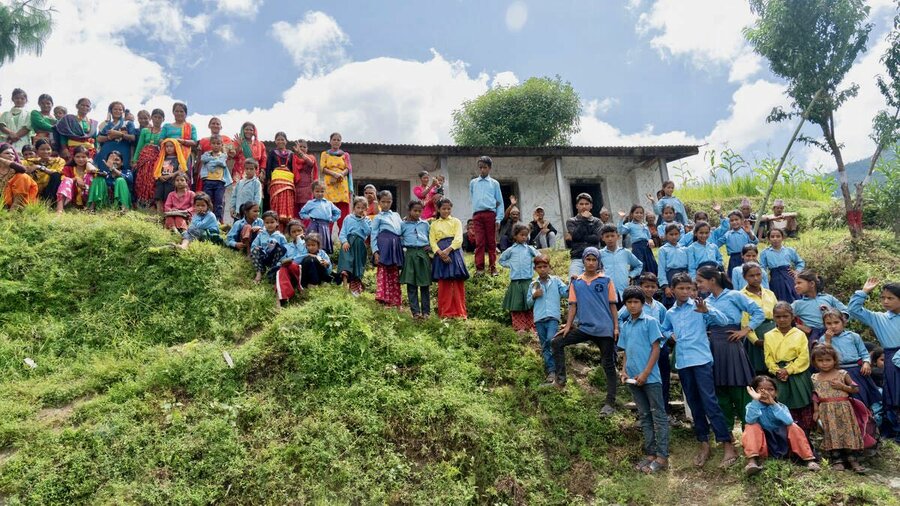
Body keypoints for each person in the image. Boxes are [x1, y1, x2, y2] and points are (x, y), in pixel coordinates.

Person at [661, 273, 736, 468]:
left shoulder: (699, 306)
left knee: (710, 402)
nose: (686, 292)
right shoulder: (671, 313)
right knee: (694, 404)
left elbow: (723, 320)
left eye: (689, 288)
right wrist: (671, 335)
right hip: (684, 364)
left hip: (702, 360)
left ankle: (727, 443)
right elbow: (664, 328)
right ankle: (704, 443)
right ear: (673, 289)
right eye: (681, 288)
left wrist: (707, 310)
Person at [551, 247, 619, 416]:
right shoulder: (577, 282)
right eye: (588, 260)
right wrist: (568, 325)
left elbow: (612, 305)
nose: (590, 263)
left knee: (608, 365)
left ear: (598, 262)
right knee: (556, 342)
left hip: (604, 330)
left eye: (593, 260)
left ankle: (610, 403)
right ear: (583, 261)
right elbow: (573, 305)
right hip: (585, 328)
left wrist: (616, 327)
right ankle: (560, 381)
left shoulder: (606, 280)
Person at [696, 266, 764, 432]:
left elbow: (758, 312)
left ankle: (749, 429)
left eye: (700, 281)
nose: (697, 285)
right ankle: (726, 432)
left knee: (739, 387)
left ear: (712, 280)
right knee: (719, 388)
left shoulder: (733, 295)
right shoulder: (707, 302)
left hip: (732, 344)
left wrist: (745, 330)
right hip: (713, 346)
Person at [618, 286, 669, 474]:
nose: (632, 305)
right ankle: (650, 454)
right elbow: (625, 351)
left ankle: (662, 457)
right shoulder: (625, 326)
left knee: (659, 415)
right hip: (633, 379)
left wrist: (646, 373)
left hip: (651, 378)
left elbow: (656, 349)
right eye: (629, 302)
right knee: (644, 416)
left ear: (642, 304)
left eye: (636, 302)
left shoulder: (650, 322)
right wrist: (623, 371)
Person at [849, 278, 900, 434]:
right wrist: (864, 292)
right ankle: (895, 429)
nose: (885, 301)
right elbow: (853, 310)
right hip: (893, 359)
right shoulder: (879, 318)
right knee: (893, 394)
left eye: (890, 298)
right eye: (883, 297)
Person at [742, 375, 819, 476]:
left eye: (771, 390)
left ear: (776, 392)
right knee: (750, 426)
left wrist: (774, 404)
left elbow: (788, 421)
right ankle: (752, 462)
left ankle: (808, 459)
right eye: (761, 390)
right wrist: (755, 401)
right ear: (754, 392)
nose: (766, 393)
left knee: (793, 426)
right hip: (765, 443)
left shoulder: (781, 407)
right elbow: (750, 420)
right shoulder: (752, 406)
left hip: (783, 441)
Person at [811, 345, 867, 473]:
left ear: (834, 360)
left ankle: (853, 460)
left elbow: (855, 388)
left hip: (843, 408)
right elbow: (815, 395)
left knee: (847, 432)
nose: (824, 363)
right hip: (826, 409)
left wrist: (842, 386)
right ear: (814, 362)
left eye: (828, 360)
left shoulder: (842, 374)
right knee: (831, 433)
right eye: (820, 360)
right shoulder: (814, 377)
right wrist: (816, 410)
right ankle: (837, 459)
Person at [763, 302, 814, 433]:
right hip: (779, 375)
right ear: (774, 317)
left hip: (797, 373)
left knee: (802, 403)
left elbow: (804, 357)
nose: (782, 320)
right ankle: (787, 438)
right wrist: (776, 370)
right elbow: (768, 357)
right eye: (778, 317)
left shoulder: (799, 334)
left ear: (792, 317)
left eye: (785, 316)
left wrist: (789, 370)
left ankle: (804, 435)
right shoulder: (769, 335)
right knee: (782, 404)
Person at [820, 309, 881, 409]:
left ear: (843, 322)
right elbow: (824, 355)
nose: (833, 326)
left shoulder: (853, 336)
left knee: (861, 399)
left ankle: (866, 421)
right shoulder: (823, 339)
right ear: (824, 325)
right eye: (829, 323)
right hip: (836, 372)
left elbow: (864, 353)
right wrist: (827, 340)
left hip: (856, 371)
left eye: (836, 322)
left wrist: (866, 363)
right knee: (844, 401)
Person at [528, 255, 568, 385]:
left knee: (551, 340)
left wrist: (572, 283)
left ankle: (557, 369)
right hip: (539, 318)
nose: (543, 269)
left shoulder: (556, 281)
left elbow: (566, 293)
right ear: (535, 269)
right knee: (545, 344)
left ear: (549, 267)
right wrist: (534, 296)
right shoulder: (534, 284)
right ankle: (551, 370)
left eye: (545, 266)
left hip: (552, 317)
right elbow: (528, 303)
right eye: (539, 267)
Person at [429, 197, 469, 319]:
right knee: (444, 283)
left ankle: (460, 312)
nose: (446, 211)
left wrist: (448, 250)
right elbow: (432, 241)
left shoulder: (456, 221)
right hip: (440, 255)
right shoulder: (434, 224)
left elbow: (458, 239)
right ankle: (445, 312)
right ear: (438, 209)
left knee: (457, 282)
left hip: (454, 253)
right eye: (443, 209)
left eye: (448, 209)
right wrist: (439, 252)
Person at [499, 223, 540, 333]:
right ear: (515, 236)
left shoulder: (530, 249)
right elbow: (501, 260)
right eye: (522, 235)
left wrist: (534, 265)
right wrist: (511, 264)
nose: (524, 237)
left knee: (530, 305)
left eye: (526, 235)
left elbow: (539, 257)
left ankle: (532, 327)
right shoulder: (511, 250)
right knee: (517, 305)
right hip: (516, 282)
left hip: (528, 281)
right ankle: (520, 328)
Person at [469, 155, 504, 276]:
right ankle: (479, 269)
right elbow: (473, 197)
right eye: (480, 167)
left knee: (491, 243)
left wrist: (499, 218)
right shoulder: (473, 183)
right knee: (479, 242)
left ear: (489, 168)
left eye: (484, 167)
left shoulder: (494, 183)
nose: (482, 170)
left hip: (490, 214)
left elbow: (499, 202)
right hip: (477, 215)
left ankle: (493, 268)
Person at [95, 102, 137, 199]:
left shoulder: (128, 123)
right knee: (105, 172)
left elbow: (133, 138)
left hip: (123, 153)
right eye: (115, 109)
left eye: (120, 109)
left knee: (121, 173)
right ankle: (104, 198)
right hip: (106, 152)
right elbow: (98, 138)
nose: (118, 111)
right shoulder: (107, 125)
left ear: (123, 111)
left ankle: (123, 198)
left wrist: (119, 134)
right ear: (111, 111)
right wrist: (109, 137)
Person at [740, 262, 777, 376]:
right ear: (744, 277)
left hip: (773, 332)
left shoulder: (769, 293)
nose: (756, 278)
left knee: (776, 366)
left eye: (758, 274)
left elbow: (777, 314)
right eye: (751, 276)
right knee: (760, 369)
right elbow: (745, 321)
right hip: (755, 333)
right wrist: (755, 341)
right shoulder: (741, 296)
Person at [792, 269, 848, 342]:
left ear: (812, 284)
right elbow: (784, 315)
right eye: (795, 284)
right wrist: (799, 326)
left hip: (835, 334)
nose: (796, 286)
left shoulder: (828, 298)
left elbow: (846, 312)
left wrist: (832, 314)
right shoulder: (797, 304)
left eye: (799, 283)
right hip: (815, 337)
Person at [371, 190, 405, 307]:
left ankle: (396, 301)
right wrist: (375, 251)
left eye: (388, 202)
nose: (386, 204)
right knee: (383, 271)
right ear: (379, 202)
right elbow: (373, 235)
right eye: (383, 202)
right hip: (383, 246)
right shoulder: (377, 217)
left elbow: (402, 230)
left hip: (395, 246)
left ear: (392, 201)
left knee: (394, 272)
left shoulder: (396, 215)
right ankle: (384, 300)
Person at [400, 200, 432, 319]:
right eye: (415, 211)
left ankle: (426, 312)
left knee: (424, 284)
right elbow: (399, 237)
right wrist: (404, 246)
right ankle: (416, 313)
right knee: (411, 284)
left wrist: (429, 246)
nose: (417, 213)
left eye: (420, 211)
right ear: (409, 211)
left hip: (423, 254)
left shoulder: (425, 224)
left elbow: (430, 237)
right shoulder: (403, 224)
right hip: (410, 254)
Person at [598, 225, 643, 303]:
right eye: (607, 236)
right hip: (606, 292)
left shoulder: (625, 252)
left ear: (618, 236)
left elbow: (639, 265)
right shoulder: (599, 254)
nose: (610, 239)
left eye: (612, 236)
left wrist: (631, 275)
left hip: (623, 291)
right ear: (602, 238)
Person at [759, 228, 805, 303]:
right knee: (778, 300)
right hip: (775, 279)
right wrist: (764, 282)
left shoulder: (789, 250)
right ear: (768, 239)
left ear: (783, 238)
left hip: (789, 277)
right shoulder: (765, 253)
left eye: (778, 236)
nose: (775, 239)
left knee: (794, 297)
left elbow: (800, 262)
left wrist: (797, 271)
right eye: (772, 236)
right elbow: (762, 268)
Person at [337, 197, 371, 296]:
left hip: (360, 244)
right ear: (354, 208)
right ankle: (344, 288)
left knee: (357, 266)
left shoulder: (367, 220)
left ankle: (355, 290)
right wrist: (344, 242)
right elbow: (342, 232)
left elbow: (368, 232)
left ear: (366, 209)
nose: (360, 210)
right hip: (348, 243)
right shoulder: (348, 218)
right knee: (346, 265)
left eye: (363, 208)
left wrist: (363, 220)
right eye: (358, 207)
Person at [132, 108, 164, 207]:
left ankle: (151, 203)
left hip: (156, 159)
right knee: (141, 179)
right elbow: (139, 146)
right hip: (144, 158)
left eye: (159, 117)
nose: (157, 119)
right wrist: (135, 160)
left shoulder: (164, 131)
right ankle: (141, 202)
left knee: (152, 180)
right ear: (151, 118)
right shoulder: (145, 131)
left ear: (163, 119)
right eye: (155, 117)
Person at [565, 193, 602, 278]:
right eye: (581, 204)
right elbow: (576, 236)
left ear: (591, 206)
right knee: (573, 284)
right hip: (578, 258)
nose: (584, 206)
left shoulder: (597, 222)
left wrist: (579, 238)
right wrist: (584, 219)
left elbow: (596, 238)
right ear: (577, 206)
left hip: (594, 259)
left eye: (586, 204)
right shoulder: (571, 221)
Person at [320, 132, 352, 229]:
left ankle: (344, 241)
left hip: (342, 186)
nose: (336, 141)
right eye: (334, 139)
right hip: (329, 185)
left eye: (338, 140)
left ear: (341, 143)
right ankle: (327, 239)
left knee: (343, 214)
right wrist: (334, 174)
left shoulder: (345, 155)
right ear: (330, 141)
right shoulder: (325, 154)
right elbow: (322, 168)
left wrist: (341, 174)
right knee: (328, 212)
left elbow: (348, 168)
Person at [159, 102, 197, 183]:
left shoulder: (190, 127)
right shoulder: (166, 126)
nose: (179, 113)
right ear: (173, 112)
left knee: (183, 177)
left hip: (184, 156)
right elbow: (161, 140)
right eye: (177, 111)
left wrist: (182, 141)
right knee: (168, 177)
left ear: (185, 113)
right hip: (169, 156)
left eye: (181, 111)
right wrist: (171, 143)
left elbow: (194, 142)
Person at [299, 181, 341, 255]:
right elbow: (302, 213)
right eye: (317, 191)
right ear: (313, 192)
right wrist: (308, 217)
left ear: (325, 192)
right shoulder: (310, 203)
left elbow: (338, 212)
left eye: (322, 191)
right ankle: (310, 256)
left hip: (325, 226)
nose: (319, 193)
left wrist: (332, 219)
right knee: (312, 241)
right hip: (313, 225)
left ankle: (323, 258)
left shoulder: (328, 203)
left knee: (323, 242)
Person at [267, 132, 298, 228]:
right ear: (275, 141)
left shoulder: (291, 154)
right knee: (276, 203)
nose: (280, 141)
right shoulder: (272, 153)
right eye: (278, 139)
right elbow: (269, 168)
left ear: (286, 141)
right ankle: (275, 227)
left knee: (288, 204)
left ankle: (288, 230)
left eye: (282, 139)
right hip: (276, 182)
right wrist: (268, 180)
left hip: (288, 182)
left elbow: (294, 168)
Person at [250, 210, 289, 284]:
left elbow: (285, 250)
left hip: (275, 260)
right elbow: (253, 246)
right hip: (263, 257)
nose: (269, 225)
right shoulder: (261, 235)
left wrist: (277, 248)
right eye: (267, 223)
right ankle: (259, 272)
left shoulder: (280, 236)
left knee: (281, 248)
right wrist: (258, 248)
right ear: (264, 224)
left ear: (277, 223)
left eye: (272, 222)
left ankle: (272, 270)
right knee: (255, 249)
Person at [275, 220, 308, 306]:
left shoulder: (308, 243)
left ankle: (281, 297)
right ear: (289, 234)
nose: (297, 233)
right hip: (289, 272)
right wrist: (283, 262)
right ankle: (281, 297)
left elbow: (305, 256)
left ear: (303, 231)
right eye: (293, 232)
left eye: (299, 230)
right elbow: (281, 260)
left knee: (287, 265)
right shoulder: (287, 246)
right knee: (282, 269)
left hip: (302, 271)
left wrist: (299, 242)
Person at [199, 135, 231, 223]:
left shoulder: (223, 155)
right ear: (210, 144)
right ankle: (207, 218)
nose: (216, 145)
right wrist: (214, 160)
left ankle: (218, 220)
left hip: (219, 182)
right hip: (208, 181)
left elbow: (222, 163)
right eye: (213, 143)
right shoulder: (206, 154)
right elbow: (203, 159)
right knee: (207, 200)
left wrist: (211, 161)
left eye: (218, 143)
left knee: (219, 201)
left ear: (221, 145)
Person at [618, 205, 657, 275]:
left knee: (650, 265)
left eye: (641, 213)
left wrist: (650, 240)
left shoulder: (645, 225)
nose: (639, 214)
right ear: (632, 214)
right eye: (636, 213)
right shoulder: (629, 225)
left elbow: (649, 237)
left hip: (647, 248)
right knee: (640, 265)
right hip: (637, 247)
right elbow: (620, 230)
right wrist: (621, 218)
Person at [152, 139, 187, 214]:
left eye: (171, 146)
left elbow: (181, 170)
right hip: (161, 180)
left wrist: (171, 175)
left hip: (172, 181)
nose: (169, 148)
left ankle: (167, 212)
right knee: (158, 195)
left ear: (176, 147)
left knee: (168, 196)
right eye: (167, 146)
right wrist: (160, 176)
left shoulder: (179, 159)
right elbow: (157, 169)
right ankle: (159, 212)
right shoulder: (162, 158)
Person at [720, 210, 758, 278]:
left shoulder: (746, 231)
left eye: (736, 219)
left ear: (742, 220)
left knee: (748, 275)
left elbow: (755, 242)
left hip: (747, 257)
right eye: (732, 220)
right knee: (734, 276)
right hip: (733, 259)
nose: (734, 222)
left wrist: (749, 233)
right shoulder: (727, 234)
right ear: (729, 222)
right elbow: (717, 243)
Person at [657, 224, 688, 308]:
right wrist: (665, 286)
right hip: (671, 278)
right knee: (672, 303)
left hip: (684, 277)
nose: (674, 237)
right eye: (671, 234)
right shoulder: (663, 250)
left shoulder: (684, 249)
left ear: (679, 235)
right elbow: (661, 269)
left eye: (676, 234)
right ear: (666, 235)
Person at [0, 143, 38, 209]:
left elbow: (23, 169)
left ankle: (14, 209)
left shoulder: (17, 169)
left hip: (20, 203)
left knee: (22, 177)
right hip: (3, 203)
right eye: (7, 153)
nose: (11, 155)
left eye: (13, 154)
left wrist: (3, 160)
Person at [56, 145, 93, 210]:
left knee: (90, 177)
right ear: (73, 158)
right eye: (77, 157)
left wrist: (89, 163)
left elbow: (97, 175)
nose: (80, 159)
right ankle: (59, 210)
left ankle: (89, 208)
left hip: (87, 196)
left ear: (88, 158)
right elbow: (63, 180)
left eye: (84, 157)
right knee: (67, 180)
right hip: (72, 197)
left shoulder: (90, 169)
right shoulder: (68, 168)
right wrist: (76, 179)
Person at [232, 122, 266, 186]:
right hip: (240, 173)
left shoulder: (260, 144)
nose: (249, 131)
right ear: (243, 130)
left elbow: (263, 159)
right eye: (246, 129)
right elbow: (233, 156)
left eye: (251, 130)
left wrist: (262, 171)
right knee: (239, 193)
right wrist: (239, 146)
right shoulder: (237, 142)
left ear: (254, 132)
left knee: (253, 193)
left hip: (255, 173)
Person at [291, 139, 319, 220]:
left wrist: (300, 153)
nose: (302, 148)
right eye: (300, 146)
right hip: (295, 189)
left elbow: (310, 163)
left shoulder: (311, 157)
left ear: (307, 149)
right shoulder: (292, 158)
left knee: (306, 213)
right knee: (295, 214)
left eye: (304, 147)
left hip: (307, 189)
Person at [0, 88, 32, 153]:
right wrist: (11, 133)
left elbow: (27, 128)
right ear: (13, 99)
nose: (19, 100)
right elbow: (2, 126)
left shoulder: (29, 114)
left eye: (22, 99)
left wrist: (14, 137)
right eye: (17, 98)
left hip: (22, 142)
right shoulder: (5, 114)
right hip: (6, 141)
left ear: (26, 100)